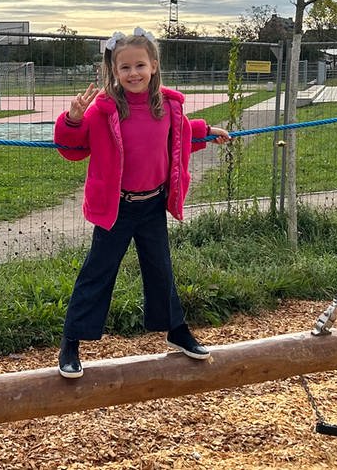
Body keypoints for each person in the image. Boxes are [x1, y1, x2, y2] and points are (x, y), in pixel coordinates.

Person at [52, 27, 231, 378]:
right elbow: (72, 149)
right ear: (113, 72)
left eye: (140, 65)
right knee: (98, 273)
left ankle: (176, 332)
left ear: (153, 65)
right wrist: (72, 119)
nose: (133, 74)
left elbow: (178, 135)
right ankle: (71, 341)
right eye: (125, 68)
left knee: (160, 269)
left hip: (152, 205)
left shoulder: (167, 105)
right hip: (116, 207)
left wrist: (206, 131)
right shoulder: (103, 110)